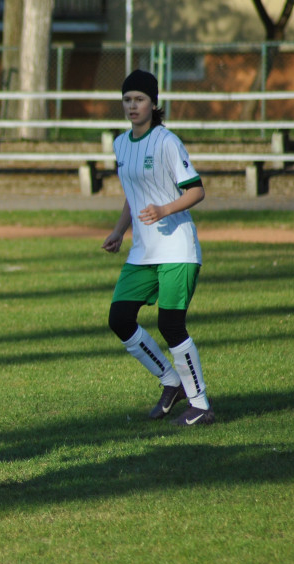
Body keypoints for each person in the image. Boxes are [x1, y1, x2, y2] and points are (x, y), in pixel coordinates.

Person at [102, 70, 215, 426]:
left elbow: (196, 190)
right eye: (127, 100)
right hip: (144, 252)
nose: (132, 106)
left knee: (171, 325)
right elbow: (132, 196)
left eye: (139, 99)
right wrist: (120, 231)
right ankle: (171, 381)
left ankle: (200, 405)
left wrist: (164, 209)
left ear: (154, 103)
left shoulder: (166, 141)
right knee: (119, 318)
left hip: (177, 249)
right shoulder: (121, 144)